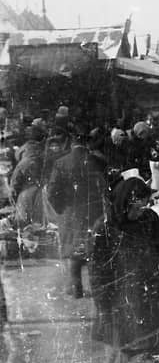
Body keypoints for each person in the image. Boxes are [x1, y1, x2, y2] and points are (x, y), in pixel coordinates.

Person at [89, 174, 159, 362]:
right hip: (121, 302)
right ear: (125, 203)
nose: (141, 211)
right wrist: (103, 309)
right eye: (137, 207)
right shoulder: (105, 227)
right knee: (124, 353)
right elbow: (98, 274)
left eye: (144, 205)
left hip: (153, 295)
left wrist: (158, 269)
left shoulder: (149, 219)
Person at [47, 127, 108, 298]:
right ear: (87, 143)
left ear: (72, 143)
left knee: (74, 250)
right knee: (93, 249)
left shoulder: (61, 163)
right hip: (93, 211)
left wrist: (61, 209)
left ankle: (76, 289)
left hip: (70, 213)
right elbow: (105, 188)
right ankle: (97, 289)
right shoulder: (97, 161)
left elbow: (51, 192)